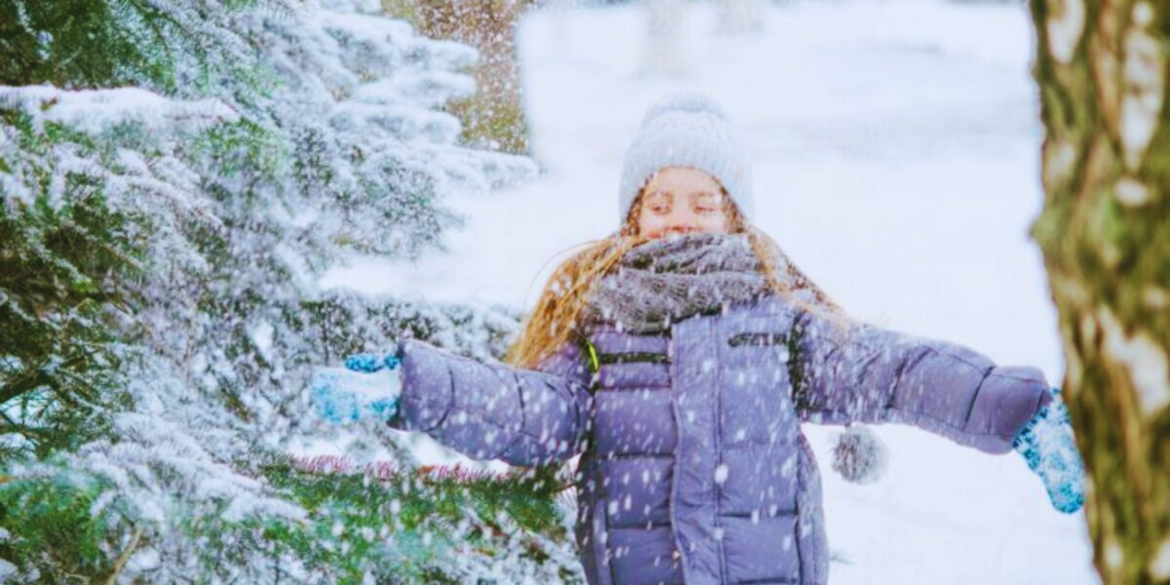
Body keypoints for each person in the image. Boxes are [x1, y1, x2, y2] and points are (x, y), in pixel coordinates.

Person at [310, 93, 1084, 585]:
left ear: (734, 216)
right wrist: (412, 385)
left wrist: (1012, 409)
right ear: (634, 218)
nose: (679, 217)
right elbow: (534, 413)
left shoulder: (777, 320)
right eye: (660, 202)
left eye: (702, 202)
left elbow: (891, 369)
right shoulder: (600, 319)